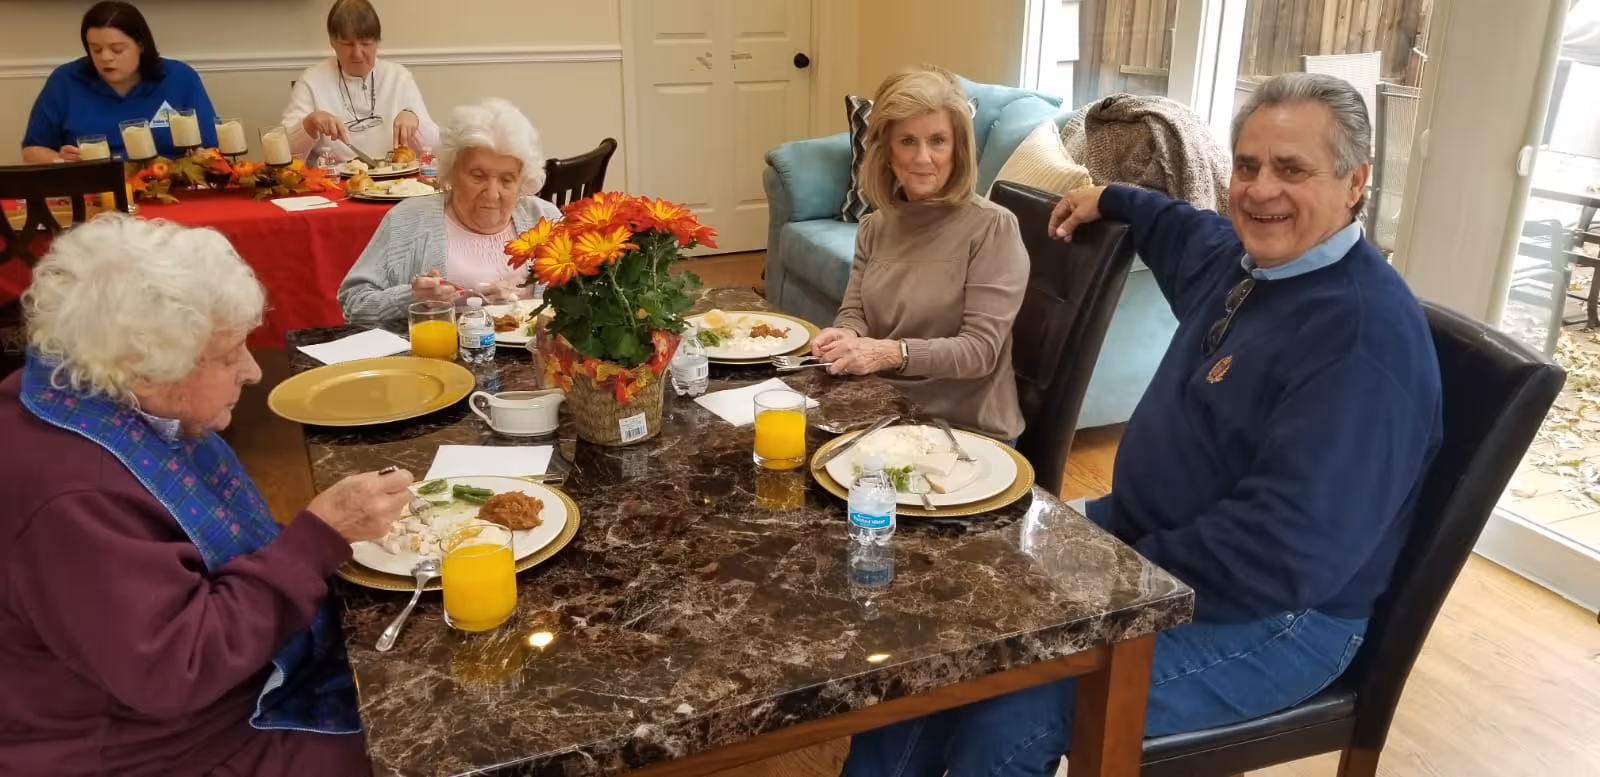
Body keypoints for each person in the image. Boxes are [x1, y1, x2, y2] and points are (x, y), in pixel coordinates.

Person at [841, 73, 1444, 776]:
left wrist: (1113, 574)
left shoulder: (1362, 343)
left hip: (1275, 615)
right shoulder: (1245, 263)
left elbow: (1284, 552)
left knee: (1008, 710)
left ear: (1355, 182)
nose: (1260, 189)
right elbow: (1183, 228)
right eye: (1246, 166)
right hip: (1141, 542)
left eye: (1292, 169)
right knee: (935, 635)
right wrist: (1112, 198)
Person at [0, 214, 414, 775]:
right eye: (227, 355)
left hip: (163, 703)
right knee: (423, 741)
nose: (250, 371)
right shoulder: (75, 495)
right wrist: (316, 540)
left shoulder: (77, 390)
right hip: (158, 744)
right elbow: (179, 669)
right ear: (142, 368)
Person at [811, 65, 1028, 443]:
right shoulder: (874, 227)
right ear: (887, 152)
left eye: (938, 141)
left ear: (958, 149)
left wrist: (891, 353)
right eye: (908, 141)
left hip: (965, 429)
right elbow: (856, 310)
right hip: (885, 410)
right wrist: (844, 334)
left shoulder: (994, 228)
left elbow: (980, 352)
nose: (924, 158)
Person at [339, 98, 562, 324]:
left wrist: (532, 297)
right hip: (433, 356)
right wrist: (411, 299)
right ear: (451, 170)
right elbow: (353, 304)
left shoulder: (546, 220)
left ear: (522, 181)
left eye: (507, 180)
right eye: (478, 176)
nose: (492, 193)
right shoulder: (408, 220)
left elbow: (590, 302)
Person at [22, 1, 219, 162]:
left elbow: (211, 146)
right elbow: (32, 150)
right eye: (96, 49)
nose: (105, 58)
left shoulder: (179, 77)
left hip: (168, 188)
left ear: (141, 45)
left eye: (117, 50)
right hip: (95, 189)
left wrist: (201, 159)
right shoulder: (64, 81)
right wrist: (60, 160)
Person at [281, 0, 439, 163]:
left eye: (365, 43)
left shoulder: (399, 77)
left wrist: (415, 120)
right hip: (334, 180)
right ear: (332, 42)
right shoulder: (311, 80)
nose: (357, 53)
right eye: (347, 44)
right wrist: (309, 124)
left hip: (398, 180)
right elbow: (285, 154)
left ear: (377, 42)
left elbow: (433, 147)